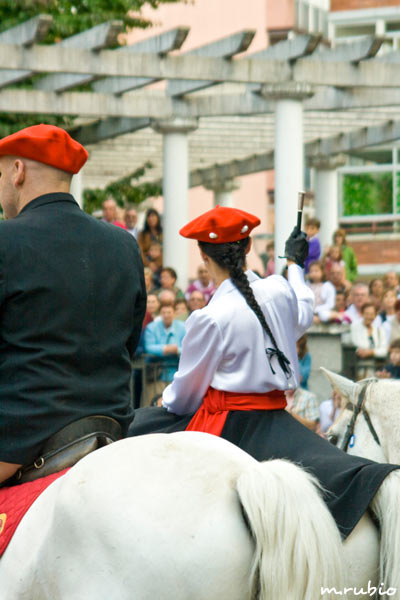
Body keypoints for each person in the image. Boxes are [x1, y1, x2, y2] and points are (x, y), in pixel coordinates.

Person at [129, 205, 399, 540]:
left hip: (227, 425)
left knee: (133, 433)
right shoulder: (279, 290)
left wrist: (164, 402)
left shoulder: (209, 316)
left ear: (203, 255)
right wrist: (295, 264)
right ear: (248, 247)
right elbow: (304, 311)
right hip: (276, 416)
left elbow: (184, 397)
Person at [0, 124, 146, 485]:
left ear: (17, 171)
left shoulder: (5, 239)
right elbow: (129, 340)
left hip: (20, 436)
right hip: (111, 424)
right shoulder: (124, 244)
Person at [143, 303, 186, 402]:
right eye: (164, 312)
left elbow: (188, 347)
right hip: (156, 375)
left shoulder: (183, 327)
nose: (167, 315)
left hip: (176, 375)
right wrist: (166, 349)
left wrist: (177, 350)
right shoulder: (151, 327)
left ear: (174, 313)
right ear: (160, 314)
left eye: (169, 312)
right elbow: (148, 347)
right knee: (153, 403)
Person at [350, 302, 388, 379]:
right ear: (362, 314)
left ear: (375, 315)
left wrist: (371, 352)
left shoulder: (380, 330)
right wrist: (376, 351)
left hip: (376, 370)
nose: (369, 317)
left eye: (372, 314)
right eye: (367, 314)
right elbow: (356, 345)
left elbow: (384, 351)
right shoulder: (354, 328)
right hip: (358, 369)